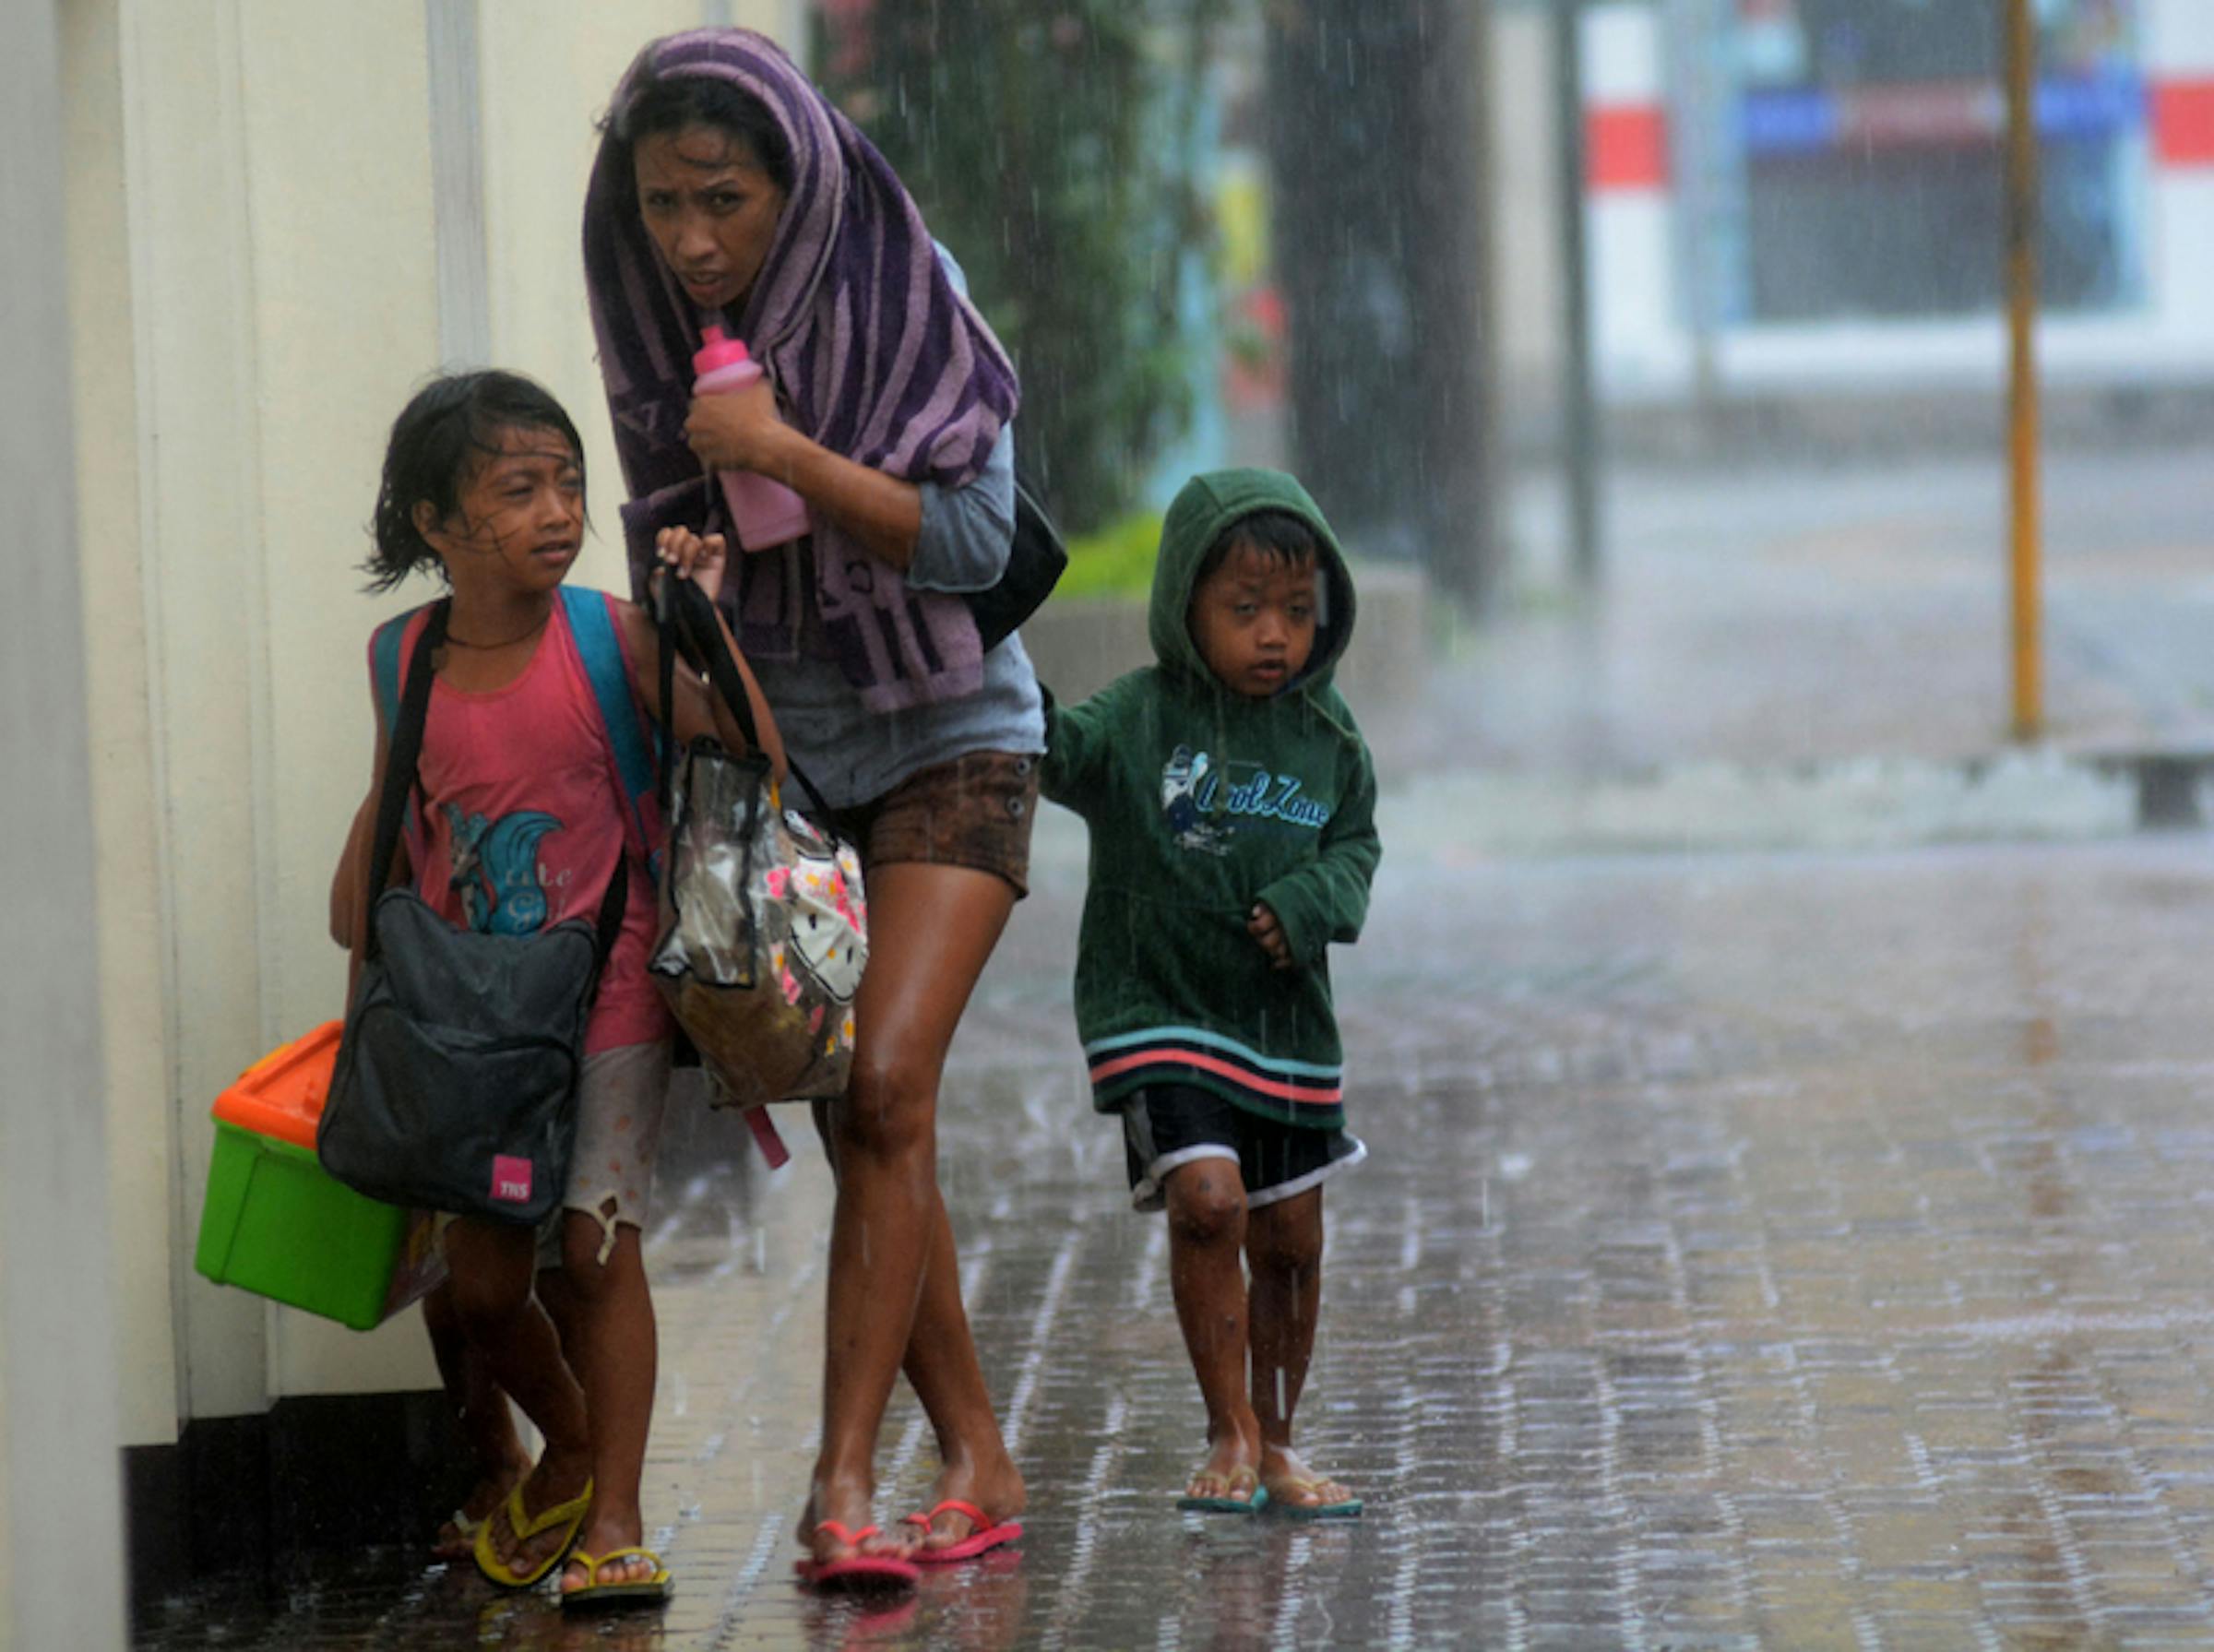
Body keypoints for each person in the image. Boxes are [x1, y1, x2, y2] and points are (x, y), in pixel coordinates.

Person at [583, 28, 1037, 1587]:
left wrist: (782, 451)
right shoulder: (660, 328)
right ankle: (976, 1450)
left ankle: (840, 1484)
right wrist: (694, 584)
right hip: (787, 758)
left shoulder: (910, 295)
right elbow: (691, 574)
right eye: (658, 204)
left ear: (801, 182)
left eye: (723, 199)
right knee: (863, 1117)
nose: (692, 242)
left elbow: (975, 542)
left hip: (956, 730)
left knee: (891, 1083)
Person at [333, 368, 781, 1607]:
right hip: (475, 1021)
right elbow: (381, 846)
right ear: (435, 521)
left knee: (593, 1252)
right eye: (518, 487)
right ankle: (569, 1445)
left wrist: (704, 623)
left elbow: (752, 758)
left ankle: (616, 1517)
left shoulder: (609, 636)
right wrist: (373, 997)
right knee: (483, 1284)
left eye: (569, 481)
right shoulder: (401, 659)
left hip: (611, 991)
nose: (558, 508)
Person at [1039, 469, 1381, 1518]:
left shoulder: (1329, 739)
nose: (1273, 635)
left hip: (1282, 1027)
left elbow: (1357, 845)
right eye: (1243, 611)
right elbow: (1057, 753)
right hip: (1157, 1008)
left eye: (1294, 610)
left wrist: (1310, 899)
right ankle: (1227, 1426)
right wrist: (991, 666)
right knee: (1210, 1207)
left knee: (1291, 1241)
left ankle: (1277, 1440)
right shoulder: (1140, 717)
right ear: (1184, 606)